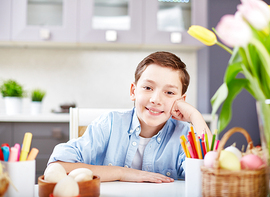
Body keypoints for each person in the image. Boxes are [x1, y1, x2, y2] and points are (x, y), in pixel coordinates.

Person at [48, 51, 212, 183]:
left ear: (181, 100)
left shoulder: (185, 135)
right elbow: (58, 166)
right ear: (133, 91)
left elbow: (211, 176)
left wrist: (195, 116)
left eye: (169, 92)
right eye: (148, 87)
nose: (155, 99)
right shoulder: (110, 124)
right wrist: (122, 173)